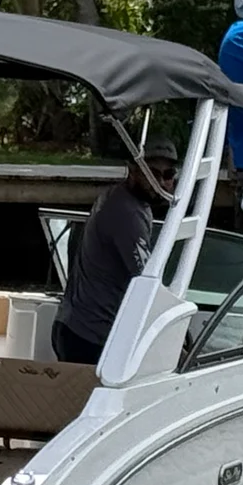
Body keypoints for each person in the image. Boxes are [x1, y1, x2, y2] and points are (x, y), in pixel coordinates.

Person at [53, 144, 175, 364]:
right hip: (90, 338)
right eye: (153, 173)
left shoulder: (120, 197)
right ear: (133, 169)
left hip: (74, 325)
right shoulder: (127, 213)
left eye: (168, 174)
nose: (162, 182)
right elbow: (146, 281)